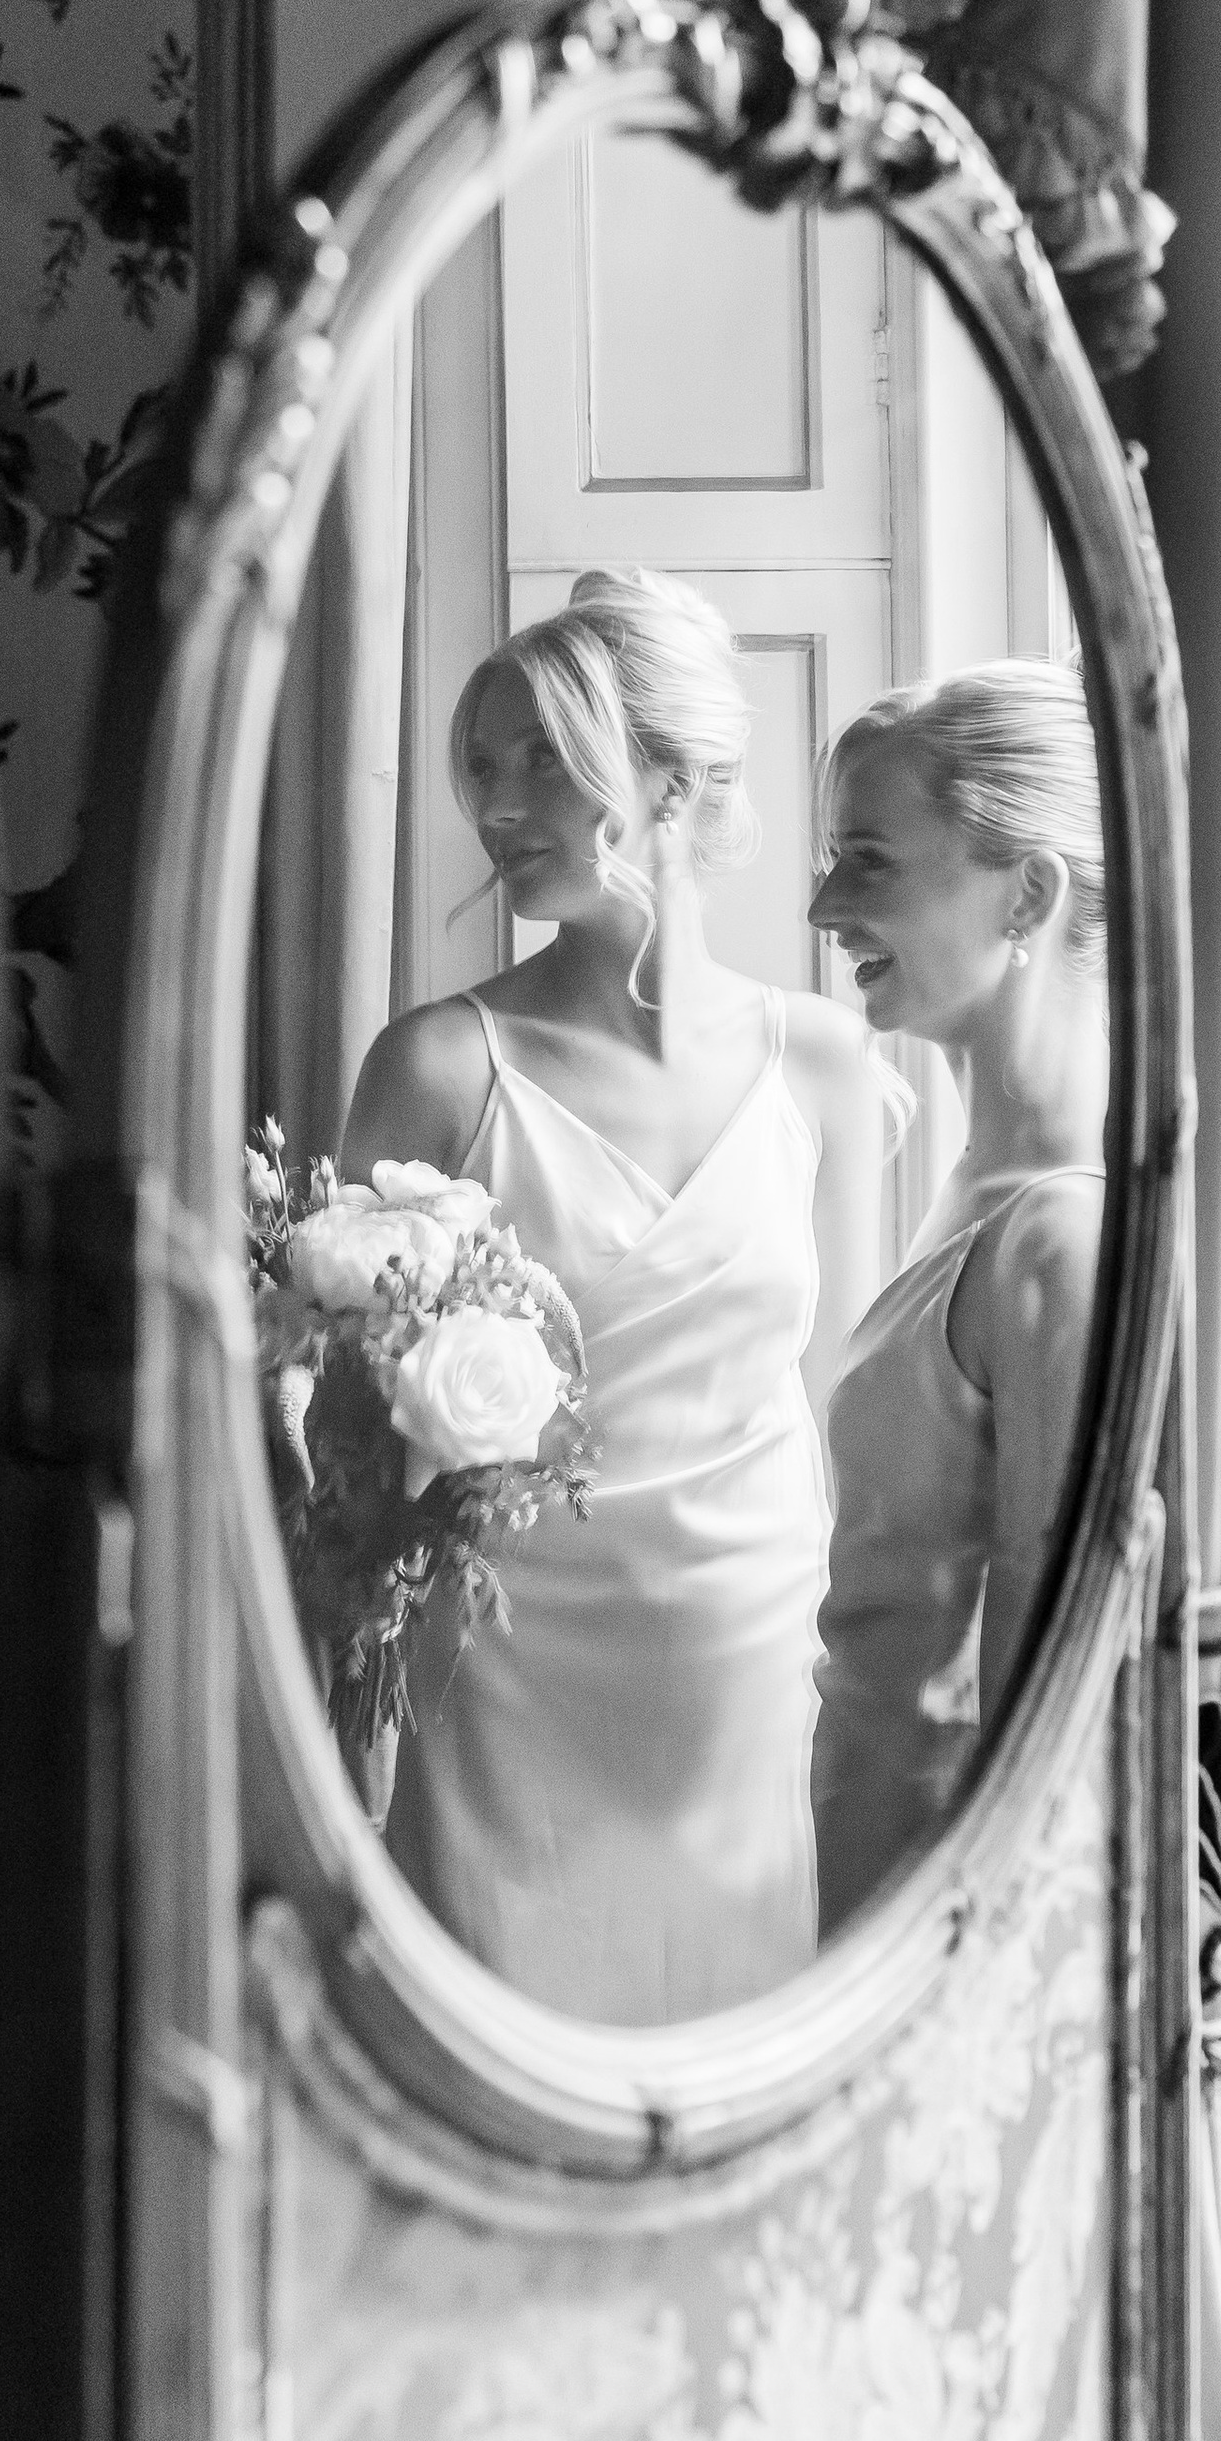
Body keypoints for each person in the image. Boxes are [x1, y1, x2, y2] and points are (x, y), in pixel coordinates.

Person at [340, 564, 887, 2023]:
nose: (497, 805)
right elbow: (335, 1445)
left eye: (542, 760)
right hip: (509, 1690)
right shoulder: (441, 1069)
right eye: (482, 765)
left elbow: (846, 1400)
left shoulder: (825, 1063)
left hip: (749, 1676)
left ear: (670, 781)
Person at [805, 661, 1110, 1931]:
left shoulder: (1059, 1233)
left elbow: (1042, 1734)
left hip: (935, 1922)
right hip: (867, 1864)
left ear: (1026, 891)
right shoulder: (974, 1177)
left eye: (869, 860)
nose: (825, 903)